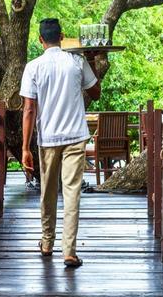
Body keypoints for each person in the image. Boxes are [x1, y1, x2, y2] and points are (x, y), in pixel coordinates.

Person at [19, 18, 101, 268]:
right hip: (75, 136)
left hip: (48, 138)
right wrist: (92, 61)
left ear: (40, 40)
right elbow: (96, 93)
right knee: (72, 192)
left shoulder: (33, 67)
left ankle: (47, 242)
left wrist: (25, 147)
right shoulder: (77, 61)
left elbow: (29, 109)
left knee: (48, 191)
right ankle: (69, 251)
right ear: (62, 36)